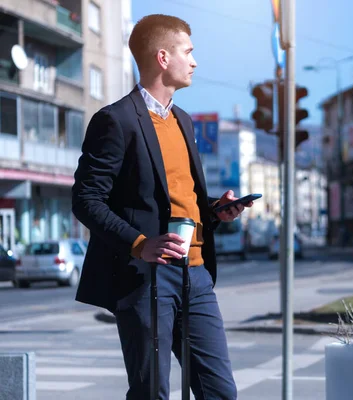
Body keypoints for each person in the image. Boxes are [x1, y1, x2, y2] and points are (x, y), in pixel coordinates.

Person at [71, 14, 250, 399]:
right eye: (189, 52)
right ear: (163, 57)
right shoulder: (115, 121)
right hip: (146, 278)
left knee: (220, 392)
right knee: (152, 392)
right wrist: (139, 243)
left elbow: (178, 196)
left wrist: (215, 211)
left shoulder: (184, 121)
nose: (195, 61)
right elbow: (86, 199)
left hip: (197, 275)